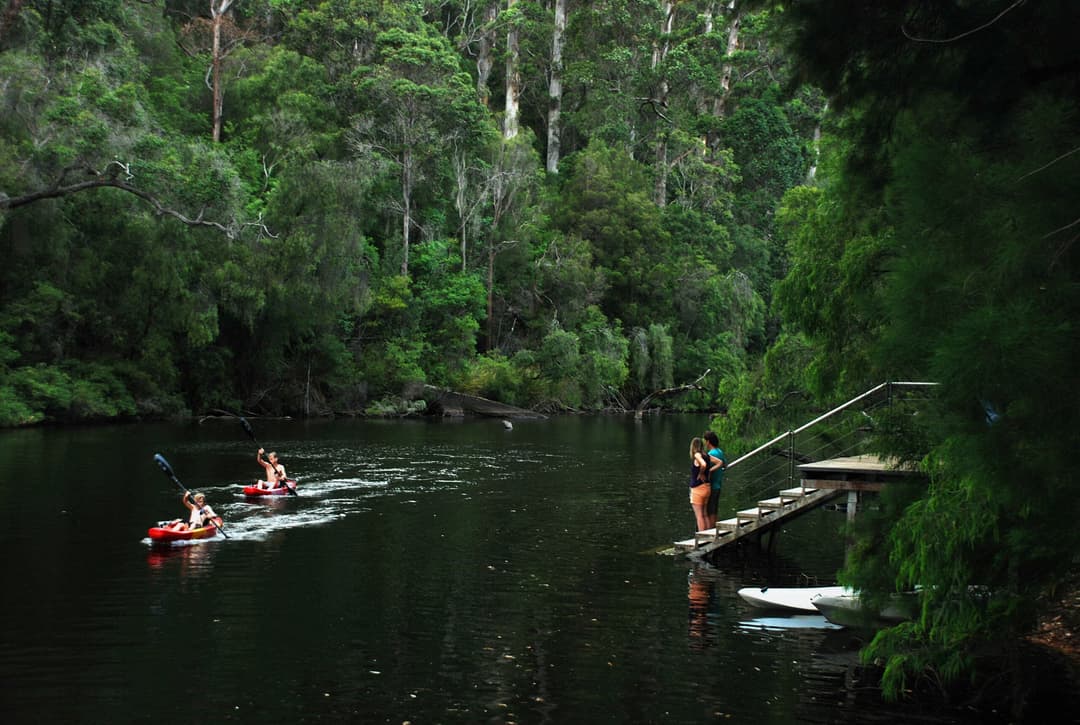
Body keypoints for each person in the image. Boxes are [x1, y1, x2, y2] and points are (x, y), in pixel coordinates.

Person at [702, 430, 727, 530]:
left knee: (709, 511)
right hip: (718, 485)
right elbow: (725, 464)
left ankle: (710, 531)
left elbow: (705, 469)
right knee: (714, 510)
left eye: (705, 441)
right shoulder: (719, 451)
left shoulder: (711, 454)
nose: (704, 443)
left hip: (711, 486)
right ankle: (714, 530)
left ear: (708, 441)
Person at [688, 437, 711, 533]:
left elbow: (703, 464)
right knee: (705, 514)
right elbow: (720, 462)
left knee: (699, 516)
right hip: (707, 487)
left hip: (697, 489)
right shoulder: (706, 455)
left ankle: (702, 539)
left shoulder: (697, 454)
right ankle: (710, 535)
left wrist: (701, 473)